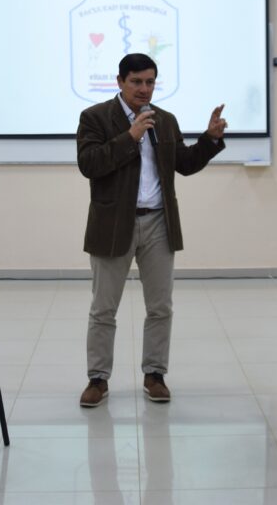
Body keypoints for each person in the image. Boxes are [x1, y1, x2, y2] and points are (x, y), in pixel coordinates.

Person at [76, 52, 226, 407]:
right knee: (103, 309)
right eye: (136, 82)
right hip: (114, 223)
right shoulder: (95, 117)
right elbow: (90, 164)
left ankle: (155, 374)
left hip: (159, 222)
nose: (144, 89)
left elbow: (184, 164)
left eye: (150, 82)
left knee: (160, 307)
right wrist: (130, 136)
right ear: (120, 82)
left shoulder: (165, 121)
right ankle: (98, 379)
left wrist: (209, 140)